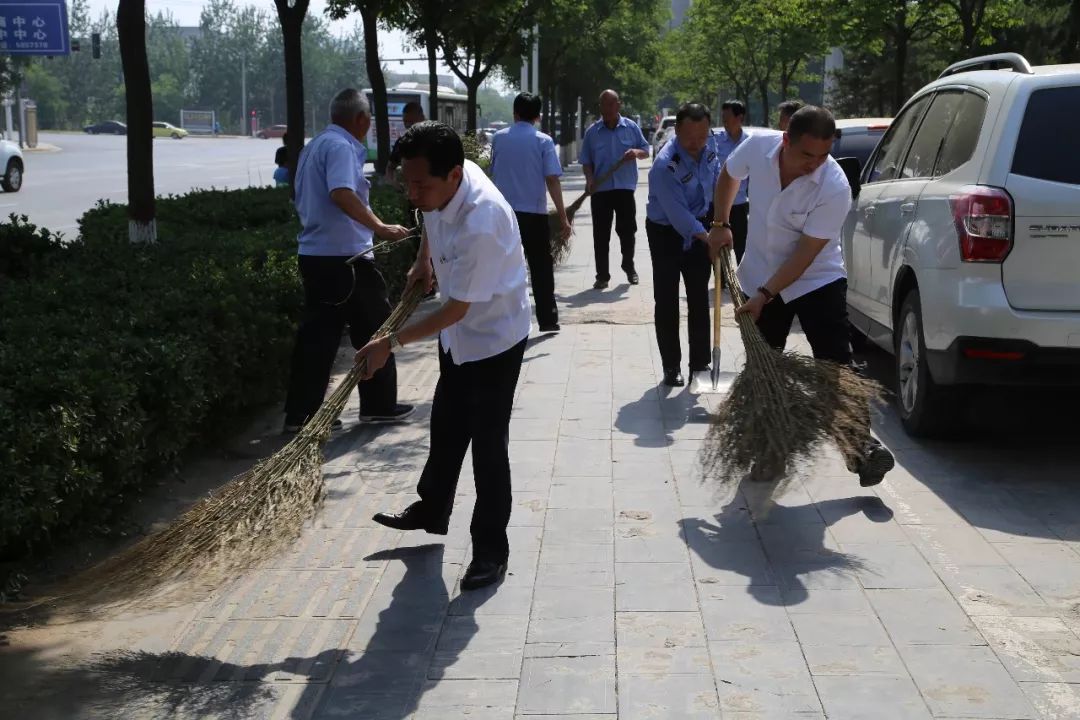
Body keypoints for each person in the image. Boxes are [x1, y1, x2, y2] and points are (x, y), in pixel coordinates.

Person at [360, 121, 531, 591]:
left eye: (422, 185)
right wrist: (424, 259)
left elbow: (456, 309)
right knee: (447, 424)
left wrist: (390, 344)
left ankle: (490, 551)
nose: (413, 193)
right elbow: (431, 220)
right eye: (407, 182)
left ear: (454, 176)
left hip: (494, 339)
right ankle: (432, 509)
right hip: (459, 337)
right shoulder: (441, 184)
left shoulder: (483, 219)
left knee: (487, 445)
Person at [708, 105, 895, 487]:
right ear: (786, 139)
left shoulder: (834, 186)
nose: (815, 163)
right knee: (764, 366)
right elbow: (729, 174)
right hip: (759, 270)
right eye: (807, 154)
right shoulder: (757, 148)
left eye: (823, 155)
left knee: (836, 365)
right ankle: (768, 449)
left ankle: (861, 449)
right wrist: (721, 224)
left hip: (816, 279)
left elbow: (806, 254)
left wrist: (764, 295)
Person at [282, 88, 415, 433]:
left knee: (319, 336)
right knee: (376, 329)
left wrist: (375, 224)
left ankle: (302, 414)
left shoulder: (315, 146)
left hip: (318, 254)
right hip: (346, 259)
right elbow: (341, 193)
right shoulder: (340, 147)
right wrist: (380, 227)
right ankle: (378, 405)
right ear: (360, 120)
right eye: (369, 116)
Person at [645, 102, 722, 390]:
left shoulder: (710, 148)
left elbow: (718, 183)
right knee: (666, 300)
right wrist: (708, 236)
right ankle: (671, 366)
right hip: (666, 232)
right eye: (690, 138)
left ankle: (700, 365)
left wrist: (720, 224)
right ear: (677, 131)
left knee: (700, 299)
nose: (697, 145)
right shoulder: (666, 165)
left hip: (701, 228)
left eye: (702, 137)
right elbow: (678, 215)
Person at [491, 92, 571, 333]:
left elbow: (493, 173)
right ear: (538, 116)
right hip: (534, 214)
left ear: (515, 113)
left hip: (503, 214)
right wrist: (563, 217)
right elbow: (552, 180)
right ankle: (547, 319)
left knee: (503, 267)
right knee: (540, 267)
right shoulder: (543, 141)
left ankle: (503, 319)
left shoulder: (498, 138)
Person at [579, 89, 651, 289]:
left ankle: (629, 266)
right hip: (600, 191)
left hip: (624, 189)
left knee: (627, 231)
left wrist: (636, 152)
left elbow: (646, 151)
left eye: (610, 104)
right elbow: (586, 161)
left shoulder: (631, 127)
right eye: (603, 105)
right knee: (600, 234)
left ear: (618, 105)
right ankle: (602, 275)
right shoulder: (592, 132)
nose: (606, 109)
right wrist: (590, 178)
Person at [713, 100, 751, 263]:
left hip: (740, 205)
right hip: (718, 205)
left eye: (728, 118)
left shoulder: (750, 143)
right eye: (723, 118)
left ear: (740, 117)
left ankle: (743, 284)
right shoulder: (715, 141)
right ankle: (722, 284)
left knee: (742, 247)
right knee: (720, 248)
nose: (725, 122)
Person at [385, 101, 426, 184]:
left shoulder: (435, 140)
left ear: (422, 118)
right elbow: (390, 168)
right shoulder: (401, 143)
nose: (407, 125)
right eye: (405, 121)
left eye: (411, 122)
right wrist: (393, 183)